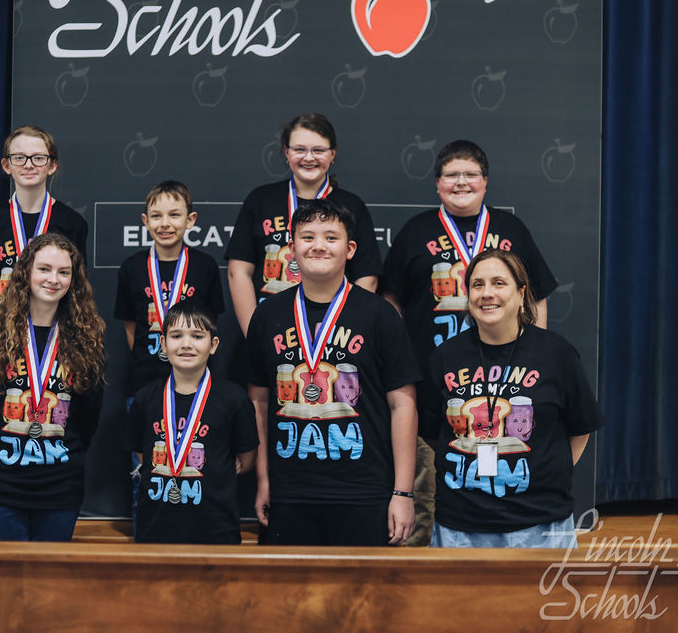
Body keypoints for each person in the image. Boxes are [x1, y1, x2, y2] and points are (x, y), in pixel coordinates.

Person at [382, 139, 558, 545]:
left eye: (470, 175)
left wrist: (536, 351)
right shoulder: (416, 231)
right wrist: (400, 356)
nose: (461, 182)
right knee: (425, 485)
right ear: (438, 184)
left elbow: (538, 295)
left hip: (503, 382)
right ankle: (420, 585)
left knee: (496, 483)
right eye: (451, 175)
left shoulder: (510, 230)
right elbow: (390, 298)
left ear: (485, 182)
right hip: (433, 383)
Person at [246, 199, 419, 546]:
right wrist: (264, 481)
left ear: (350, 248)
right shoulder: (268, 315)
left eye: (331, 237)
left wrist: (403, 492)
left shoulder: (380, 315)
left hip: (365, 491)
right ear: (292, 248)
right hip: (290, 492)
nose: (319, 245)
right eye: (307, 237)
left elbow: (404, 405)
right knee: (288, 599)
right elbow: (259, 404)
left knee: (362, 599)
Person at [424, 249, 603, 548]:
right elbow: (434, 433)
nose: (487, 293)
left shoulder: (556, 354)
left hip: (540, 524)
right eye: (478, 285)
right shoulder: (445, 356)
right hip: (460, 526)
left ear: (521, 294)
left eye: (498, 283)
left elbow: (581, 426)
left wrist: (546, 472)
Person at [0, 232, 106, 541]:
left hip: (58, 489)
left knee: (48, 587)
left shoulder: (86, 341)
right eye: (44, 269)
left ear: (74, 280)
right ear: (26, 272)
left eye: (63, 272)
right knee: (1, 585)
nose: (53, 279)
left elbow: (88, 417)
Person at [226, 112, 382, 339]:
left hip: (334, 331)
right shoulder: (261, 200)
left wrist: (345, 328)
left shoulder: (351, 206)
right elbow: (238, 271)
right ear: (287, 152)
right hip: (270, 326)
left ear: (333, 154)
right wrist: (254, 333)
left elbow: (367, 276)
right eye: (300, 149)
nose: (309, 158)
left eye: (318, 150)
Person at [128, 299, 258, 544]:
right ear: (163, 344)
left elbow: (246, 459)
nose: (186, 344)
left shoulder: (234, 399)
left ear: (213, 345)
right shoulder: (145, 398)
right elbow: (142, 454)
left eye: (197, 336)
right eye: (176, 336)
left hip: (215, 531)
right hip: (156, 530)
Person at [114, 181, 225, 401]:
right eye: (156, 216)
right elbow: (131, 327)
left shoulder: (205, 266)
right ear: (146, 221)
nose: (165, 224)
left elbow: (211, 321)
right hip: (144, 380)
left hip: (195, 378)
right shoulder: (132, 267)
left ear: (190, 220)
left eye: (174, 215)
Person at [0, 125, 88, 309]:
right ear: (6, 165)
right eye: (19, 158)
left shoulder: (73, 223)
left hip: (54, 329)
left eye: (38, 158)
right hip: (4, 328)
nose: (28, 164)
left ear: (52, 166)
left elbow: (76, 282)